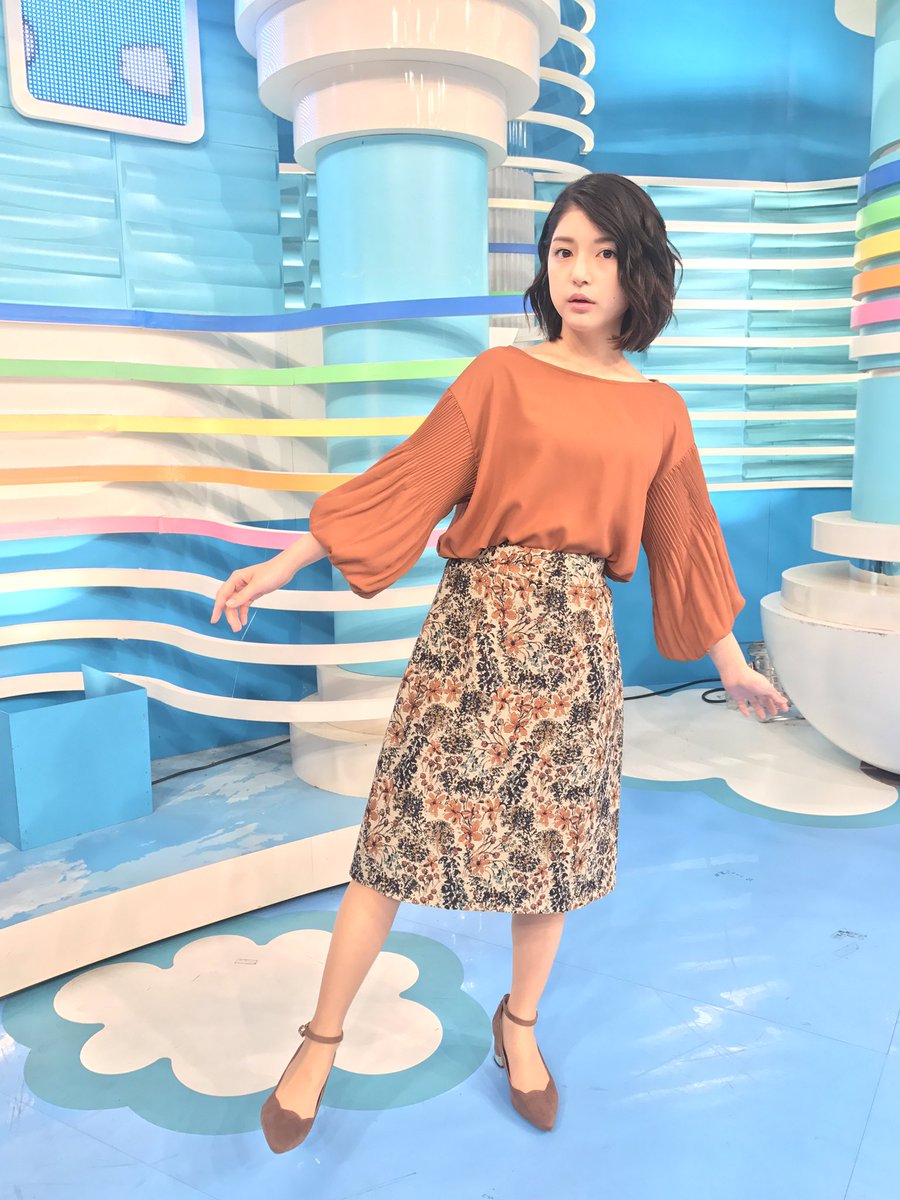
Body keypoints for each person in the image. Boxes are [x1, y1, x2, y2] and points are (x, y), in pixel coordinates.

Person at [211, 172, 790, 1152]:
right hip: (471, 639)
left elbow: (684, 541)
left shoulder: (660, 411)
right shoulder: (500, 379)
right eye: (563, 250)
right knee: (393, 843)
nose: (579, 272)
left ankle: (518, 1027)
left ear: (639, 270)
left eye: (604, 252)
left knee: (549, 866)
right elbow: (407, 481)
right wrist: (285, 561)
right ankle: (321, 1039)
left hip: (574, 656)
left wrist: (730, 662)